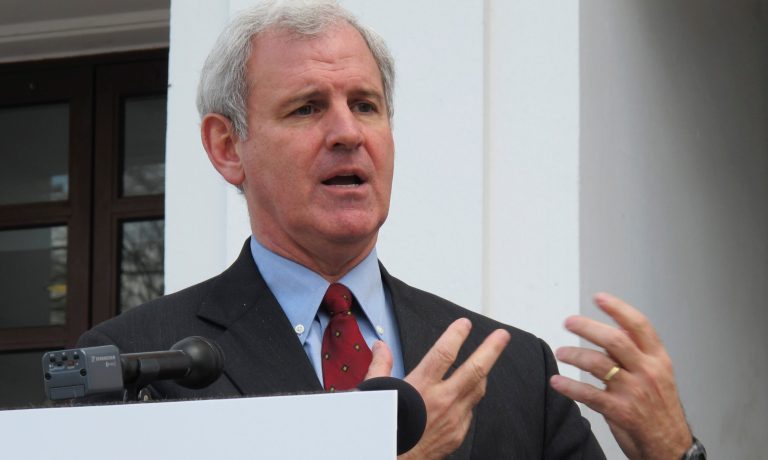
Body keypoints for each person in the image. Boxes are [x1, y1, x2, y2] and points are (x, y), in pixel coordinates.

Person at [77, 1, 704, 458]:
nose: (348, 132)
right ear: (227, 147)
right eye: (307, 107)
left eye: (366, 105)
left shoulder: (514, 371)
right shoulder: (140, 368)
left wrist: (676, 454)